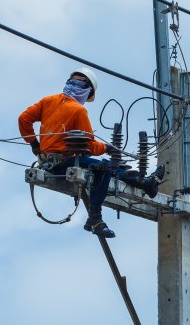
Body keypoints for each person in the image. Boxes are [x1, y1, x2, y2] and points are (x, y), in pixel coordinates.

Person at [18, 67, 162, 238]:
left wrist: (35, 145)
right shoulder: (78, 110)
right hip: (65, 164)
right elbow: (90, 146)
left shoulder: (48, 101)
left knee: (106, 168)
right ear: (87, 91)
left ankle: (145, 182)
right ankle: (95, 219)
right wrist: (107, 148)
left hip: (51, 163)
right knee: (105, 167)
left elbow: (23, 119)